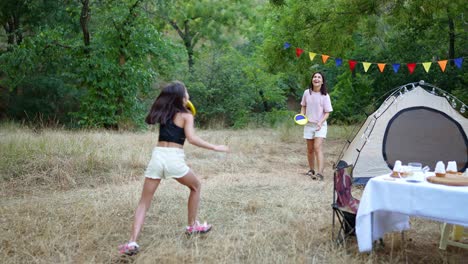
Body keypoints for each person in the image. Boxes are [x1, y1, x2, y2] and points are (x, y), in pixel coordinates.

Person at [118, 81, 229, 255]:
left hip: (157, 156)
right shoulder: (186, 115)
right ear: (181, 97)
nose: (189, 96)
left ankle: (132, 242)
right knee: (196, 186)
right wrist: (215, 147)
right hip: (174, 159)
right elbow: (191, 139)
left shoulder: (164, 113)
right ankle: (192, 226)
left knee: (144, 202)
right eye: (187, 93)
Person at [300, 72, 333, 181]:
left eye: (319, 77)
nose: (316, 79)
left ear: (322, 81)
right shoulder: (306, 93)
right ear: (312, 80)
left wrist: (320, 122)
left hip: (320, 125)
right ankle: (311, 170)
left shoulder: (325, 96)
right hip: (309, 125)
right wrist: (302, 116)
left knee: (317, 147)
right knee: (310, 149)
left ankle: (320, 173)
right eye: (315, 77)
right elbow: (303, 106)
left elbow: (327, 112)